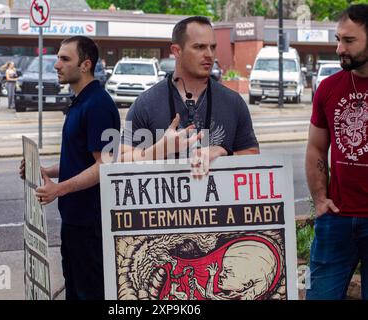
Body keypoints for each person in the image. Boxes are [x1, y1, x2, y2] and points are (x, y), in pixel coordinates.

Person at [19, 36, 120, 300]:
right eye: (58, 57)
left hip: (92, 223)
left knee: (91, 293)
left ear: (85, 65)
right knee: (75, 291)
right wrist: (43, 171)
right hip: (76, 221)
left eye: (65, 59)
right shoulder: (80, 102)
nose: (56, 65)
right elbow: (79, 162)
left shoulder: (98, 105)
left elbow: (105, 166)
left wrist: (58, 189)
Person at [120, 16, 259, 175]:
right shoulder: (146, 103)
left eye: (212, 47)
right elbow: (120, 160)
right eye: (199, 47)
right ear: (176, 51)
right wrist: (160, 150)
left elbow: (253, 157)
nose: (209, 54)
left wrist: (223, 152)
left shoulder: (234, 103)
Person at [305, 4, 368, 300]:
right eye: (338, 39)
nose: (340, 48)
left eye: (349, 41)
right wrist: (320, 200)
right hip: (336, 218)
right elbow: (316, 146)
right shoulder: (329, 87)